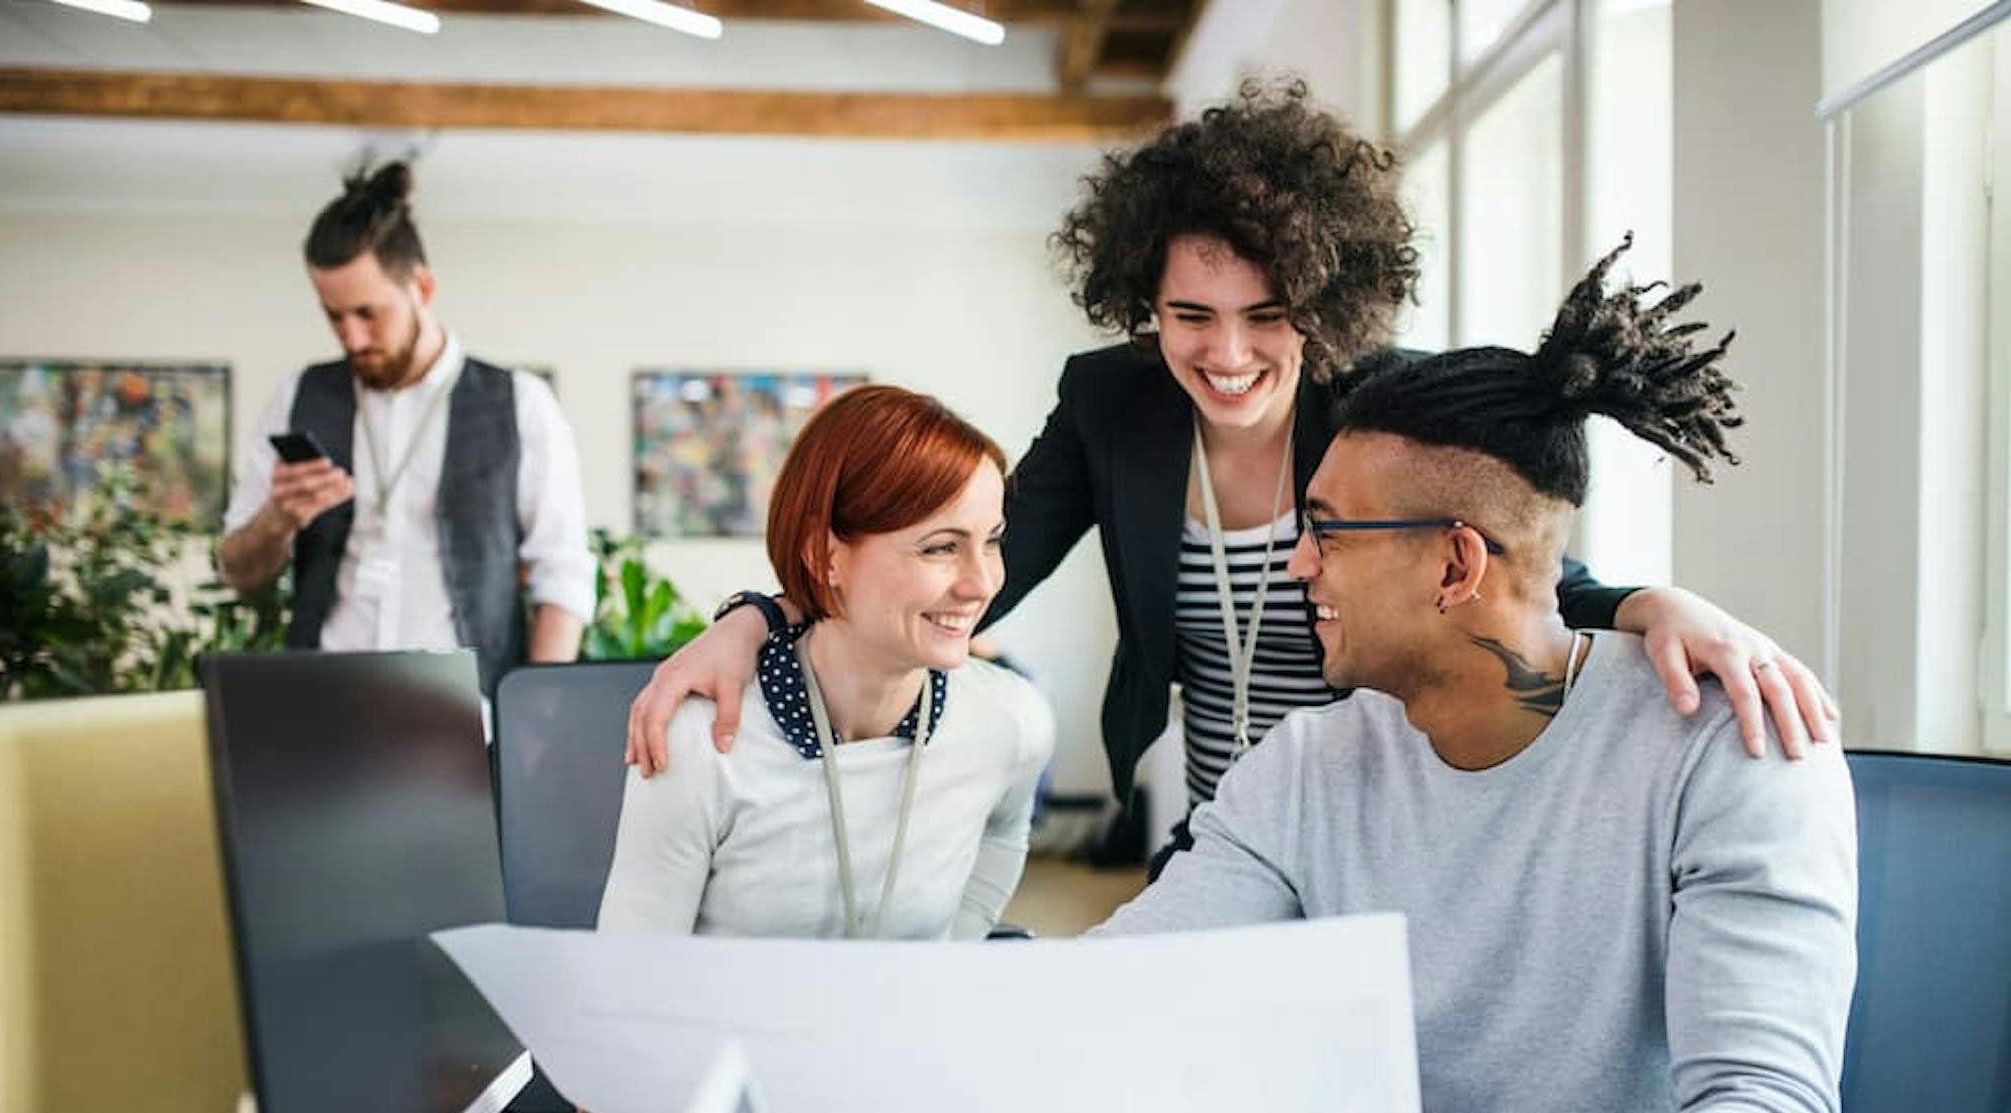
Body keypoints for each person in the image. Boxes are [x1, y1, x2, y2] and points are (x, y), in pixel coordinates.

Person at [622, 79, 1835, 864]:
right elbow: (961, 566)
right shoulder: (1110, 403)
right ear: (1138, 304)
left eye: (1266, 312)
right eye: (1187, 313)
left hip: (1386, 819)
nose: (1229, 352)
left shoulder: (1380, 408)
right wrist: (761, 617)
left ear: (1321, 298)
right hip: (1219, 828)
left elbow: (1508, 562)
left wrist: (1649, 603)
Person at [1090, 240, 1896, 1113]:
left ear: (1456, 565)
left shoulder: (1734, 747)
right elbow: (1113, 996)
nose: (1296, 568)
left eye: (1324, 533)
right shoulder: (1310, 769)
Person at [570, 384, 1055, 1113]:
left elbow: (1005, 831)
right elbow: (630, 989)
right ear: (829, 553)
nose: (981, 582)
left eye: (990, 540)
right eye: (940, 547)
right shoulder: (703, 742)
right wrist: (632, 1096)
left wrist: (944, 960)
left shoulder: (1009, 724)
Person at [220, 163, 594, 696]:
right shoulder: (297, 396)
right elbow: (239, 570)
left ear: (422, 286)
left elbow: (563, 579)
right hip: (319, 710)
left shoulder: (522, 404)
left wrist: (536, 720)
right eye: (334, 316)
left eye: (368, 313)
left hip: (466, 718)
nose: (351, 337)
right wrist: (277, 520)